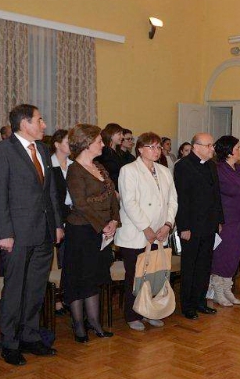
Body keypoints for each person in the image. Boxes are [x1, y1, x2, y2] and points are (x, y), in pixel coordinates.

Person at [0, 104, 63, 366]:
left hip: (43, 231)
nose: (44, 125)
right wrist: (4, 233)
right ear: (24, 123)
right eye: (39, 120)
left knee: (35, 288)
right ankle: (9, 342)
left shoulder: (42, 149)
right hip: (16, 234)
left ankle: (30, 336)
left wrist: (56, 224)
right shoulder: (2, 150)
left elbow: (50, 192)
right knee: (15, 289)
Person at [61, 124, 118, 342]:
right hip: (81, 232)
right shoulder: (75, 170)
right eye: (99, 141)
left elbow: (112, 196)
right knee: (79, 278)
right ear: (86, 144)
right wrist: (103, 224)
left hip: (100, 230)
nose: (103, 144)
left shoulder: (99, 166)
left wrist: (114, 220)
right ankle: (79, 325)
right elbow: (81, 204)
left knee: (94, 277)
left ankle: (94, 321)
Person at [115, 132, 177, 331]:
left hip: (160, 232)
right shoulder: (129, 170)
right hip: (136, 232)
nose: (156, 151)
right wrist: (146, 228)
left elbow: (172, 200)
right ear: (140, 149)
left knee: (154, 275)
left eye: (158, 147)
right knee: (136, 275)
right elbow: (129, 202)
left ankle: (150, 311)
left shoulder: (164, 171)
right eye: (151, 147)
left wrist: (167, 224)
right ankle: (133, 314)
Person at [175, 133, 224, 319]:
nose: (212, 149)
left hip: (209, 224)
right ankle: (187, 305)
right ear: (196, 147)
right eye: (208, 145)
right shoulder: (183, 166)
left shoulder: (211, 165)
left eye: (212, 145)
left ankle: (200, 301)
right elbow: (182, 198)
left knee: (204, 265)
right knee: (190, 267)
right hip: (191, 226)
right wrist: (184, 227)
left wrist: (219, 220)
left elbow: (216, 195)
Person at [209, 136, 240, 306]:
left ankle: (228, 289)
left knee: (235, 254)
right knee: (222, 254)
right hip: (226, 219)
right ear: (228, 151)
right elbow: (228, 190)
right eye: (237, 148)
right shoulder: (218, 169)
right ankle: (217, 291)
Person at [50, 129, 73, 316]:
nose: (71, 145)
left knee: (70, 258)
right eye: (67, 142)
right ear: (57, 144)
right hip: (57, 217)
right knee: (56, 259)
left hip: (74, 217)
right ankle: (56, 298)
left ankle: (69, 296)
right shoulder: (49, 165)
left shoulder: (74, 165)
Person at [96, 122, 125, 189]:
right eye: (119, 134)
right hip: (109, 188)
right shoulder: (103, 152)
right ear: (111, 135)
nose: (122, 136)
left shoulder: (120, 152)